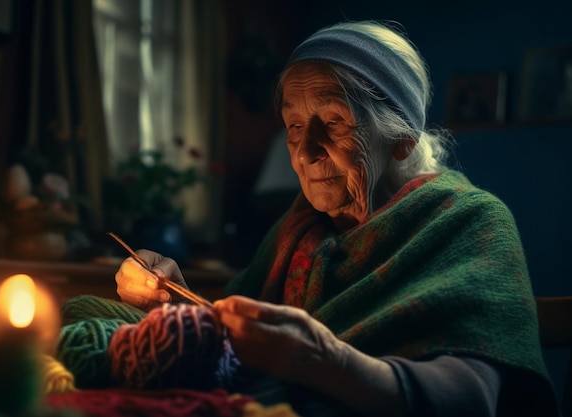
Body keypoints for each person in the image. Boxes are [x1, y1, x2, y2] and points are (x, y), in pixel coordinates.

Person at [115, 20, 559, 416]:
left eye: (334, 120)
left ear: (401, 138)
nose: (305, 152)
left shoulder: (468, 223)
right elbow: (235, 343)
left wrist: (327, 362)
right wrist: (172, 299)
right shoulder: (300, 228)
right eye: (293, 125)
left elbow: (473, 400)